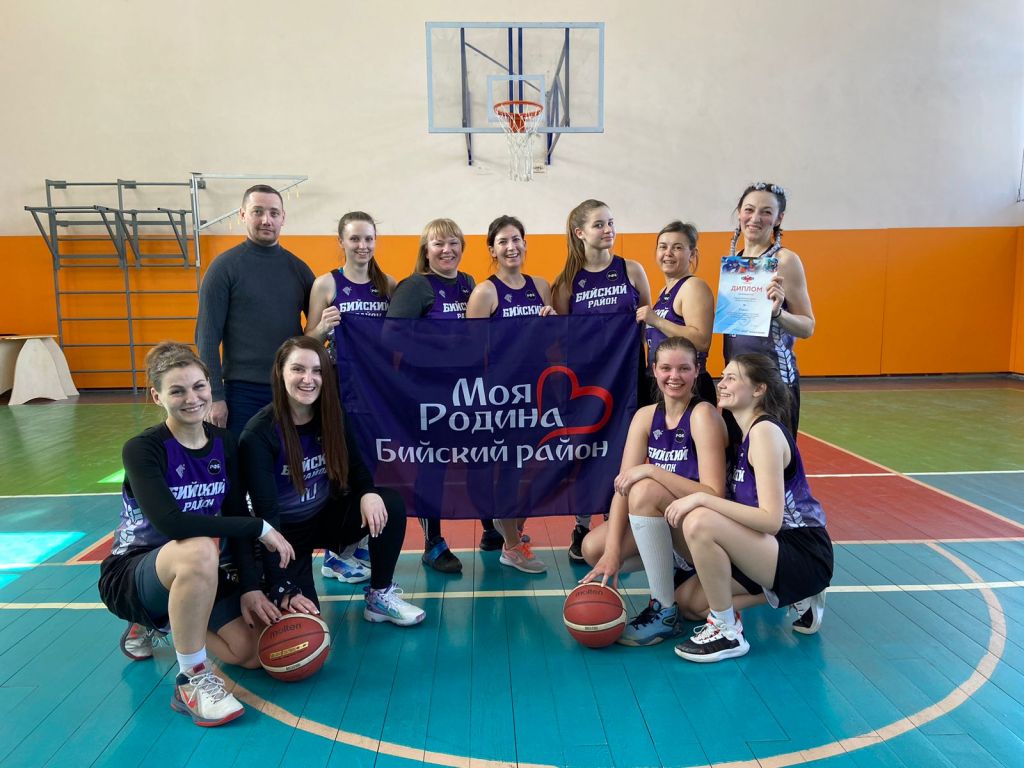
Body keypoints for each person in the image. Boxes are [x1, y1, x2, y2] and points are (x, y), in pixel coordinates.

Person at [97, 342, 295, 727]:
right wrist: (259, 526)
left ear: (209, 386)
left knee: (250, 652)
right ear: (157, 396)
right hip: (132, 575)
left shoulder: (224, 443)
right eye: (177, 390)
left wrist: (251, 587)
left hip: (195, 569)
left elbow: (235, 514)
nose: (192, 398)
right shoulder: (143, 449)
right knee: (200, 547)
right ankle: (191, 680)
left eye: (199, 386)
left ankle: (166, 620)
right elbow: (173, 525)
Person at [238, 336, 424, 626]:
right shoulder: (259, 434)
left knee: (388, 502)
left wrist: (368, 492)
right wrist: (279, 583)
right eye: (298, 369)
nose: (308, 379)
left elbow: (356, 466)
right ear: (280, 372)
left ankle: (379, 596)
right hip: (283, 537)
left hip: (324, 518)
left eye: (317, 371)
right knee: (307, 629)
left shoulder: (332, 414)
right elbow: (266, 516)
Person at [668, 353, 833, 663]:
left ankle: (728, 632)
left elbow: (771, 520)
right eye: (722, 376)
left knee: (699, 520)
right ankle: (796, 594)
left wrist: (703, 499)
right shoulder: (743, 434)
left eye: (732, 378)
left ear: (759, 389)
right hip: (765, 548)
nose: (721, 383)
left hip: (801, 550)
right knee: (689, 602)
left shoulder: (764, 433)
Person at [580, 337, 727, 645]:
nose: (674, 376)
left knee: (645, 489)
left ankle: (664, 611)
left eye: (684, 368)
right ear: (654, 370)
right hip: (668, 523)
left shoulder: (703, 415)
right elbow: (622, 487)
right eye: (666, 368)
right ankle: (672, 571)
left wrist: (653, 471)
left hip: (701, 528)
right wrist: (612, 552)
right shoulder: (646, 416)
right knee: (593, 548)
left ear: (697, 371)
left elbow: (715, 494)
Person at [551, 199, 652, 562]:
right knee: (585, 452)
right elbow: (559, 340)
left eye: (610, 222)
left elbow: (648, 324)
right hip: (587, 385)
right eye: (599, 224)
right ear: (580, 232)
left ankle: (615, 519)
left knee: (625, 450)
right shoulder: (567, 282)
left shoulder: (632, 269)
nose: (608, 229)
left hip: (629, 381)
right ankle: (581, 524)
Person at [305, 211, 396, 585]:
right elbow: (306, 341)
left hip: (375, 393)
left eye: (368, 239)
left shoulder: (387, 285)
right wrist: (322, 328)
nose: (362, 245)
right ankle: (333, 552)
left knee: (370, 466)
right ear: (340, 241)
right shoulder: (326, 284)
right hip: (339, 391)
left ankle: (356, 544)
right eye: (355, 238)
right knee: (340, 467)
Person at [465, 215, 555, 573]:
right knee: (507, 472)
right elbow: (472, 353)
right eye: (502, 241)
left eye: (516, 239)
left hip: (537, 392)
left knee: (536, 468)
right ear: (492, 250)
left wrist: (551, 326)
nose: (511, 246)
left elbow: (553, 346)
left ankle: (512, 532)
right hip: (501, 397)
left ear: (525, 243)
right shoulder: (485, 292)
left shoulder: (541, 286)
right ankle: (512, 546)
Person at [385, 219, 476, 574]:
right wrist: (435, 353)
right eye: (438, 244)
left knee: (480, 457)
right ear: (426, 250)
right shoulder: (415, 287)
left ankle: (490, 530)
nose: (447, 250)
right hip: (427, 393)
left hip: (466, 391)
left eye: (453, 243)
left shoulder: (469, 284)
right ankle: (433, 543)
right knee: (434, 467)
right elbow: (390, 338)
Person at [195, 184, 315, 438]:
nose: (266, 220)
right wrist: (215, 395)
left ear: (283, 218)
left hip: (291, 388)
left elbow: (317, 329)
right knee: (245, 459)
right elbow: (207, 338)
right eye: (257, 211)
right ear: (242, 215)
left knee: (291, 458)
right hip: (242, 394)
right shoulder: (223, 269)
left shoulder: (299, 270)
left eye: (273, 213)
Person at [722, 182, 814, 433]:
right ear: (739, 212)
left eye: (766, 212)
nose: (755, 218)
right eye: (749, 210)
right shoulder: (735, 264)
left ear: (778, 218)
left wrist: (778, 313)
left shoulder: (785, 260)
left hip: (772, 383)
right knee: (738, 456)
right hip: (737, 380)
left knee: (771, 454)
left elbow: (807, 327)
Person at [636, 221, 716, 405]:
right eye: (663, 247)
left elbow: (702, 341)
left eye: (677, 247)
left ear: (692, 254)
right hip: (660, 383)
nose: (668, 253)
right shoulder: (664, 291)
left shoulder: (693, 286)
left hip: (687, 386)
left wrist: (656, 320)